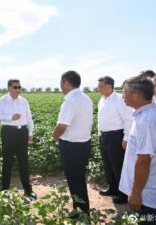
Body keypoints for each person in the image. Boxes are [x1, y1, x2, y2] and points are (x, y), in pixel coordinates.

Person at [119, 76, 156, 225]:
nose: (123, 96)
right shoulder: (154, 113)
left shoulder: (146, 121)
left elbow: (143, 161)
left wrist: (136, 193)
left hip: (148, 194)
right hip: (155, 188)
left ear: (135, 95)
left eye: (125, 92)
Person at [53, 71, 93, 215]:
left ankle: (81, 212)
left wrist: (55, 136)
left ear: (66, 83)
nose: (61, 86)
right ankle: (81, 208)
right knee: (79, 178)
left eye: (61, 83)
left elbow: (62, 126)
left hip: (71, 146)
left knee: (74, 180)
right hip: (84, 144)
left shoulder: (70, 101)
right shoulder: (86, 98)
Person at [0, 79, 36, 199]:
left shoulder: (24, 101)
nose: (18, 89)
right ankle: (5, 191)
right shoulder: (2, 100)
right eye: (15, 87)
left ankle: (28, 191)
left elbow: (29, 118)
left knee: (24, 162)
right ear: (9, 88)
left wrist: (30, 133)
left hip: (22, 132)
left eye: (19, 87)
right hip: (8, 132)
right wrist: (11, 117)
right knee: (7, 162)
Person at [97, 76, 133, 204]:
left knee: (118, 165)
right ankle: (112, 188)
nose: (99, 88)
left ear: (109, 86)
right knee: (108, 164)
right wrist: (99, 134)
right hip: (104, 136)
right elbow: (100, 118)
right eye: (99, 86)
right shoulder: (102, 100)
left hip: (116, 136)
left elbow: (128, 119)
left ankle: (123, 194)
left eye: (101, 86)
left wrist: (126, 138)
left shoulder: (119, 100)